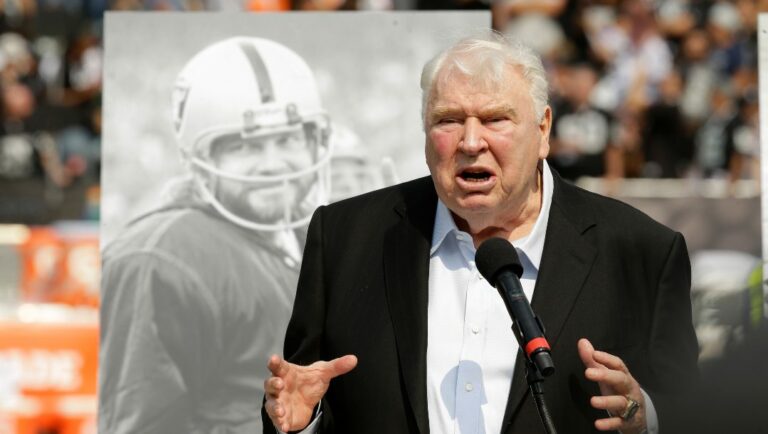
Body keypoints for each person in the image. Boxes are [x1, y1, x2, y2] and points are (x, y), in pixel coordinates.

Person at [263, 32, 698, 434]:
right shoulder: (345, 238)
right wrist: (299, 424)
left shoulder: (642, 252)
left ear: (543, 129)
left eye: (495, 119)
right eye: (448, 120)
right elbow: (299, 399)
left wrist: (645, 417)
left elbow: (692, 413)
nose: (471, 141)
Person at [98, 37, 333, 433]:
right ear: (200, 160)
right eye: (245, 146)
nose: (273, 165)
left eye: (288, 139)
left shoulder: (293, 237)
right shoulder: (159, 259)